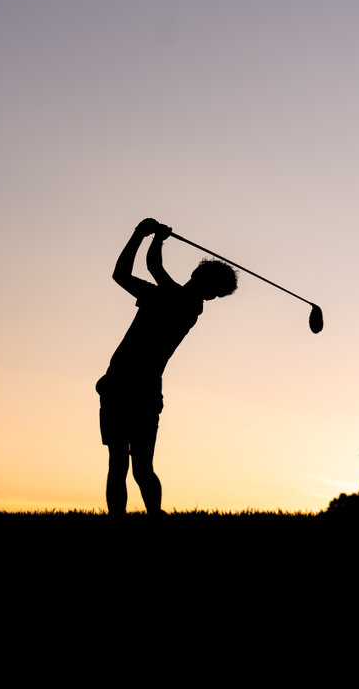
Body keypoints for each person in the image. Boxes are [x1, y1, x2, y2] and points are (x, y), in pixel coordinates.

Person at [96, 217, 238, 517]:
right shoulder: (186, 303)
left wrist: (144, 235)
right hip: (146, 388)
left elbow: (126, 273)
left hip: (122, 384)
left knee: (119, 463)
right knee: (141, 466)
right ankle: (154, 517)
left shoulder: (175, 298)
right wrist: (155, 239)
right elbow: (152, 269)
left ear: (197, 276)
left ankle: (122, 521)